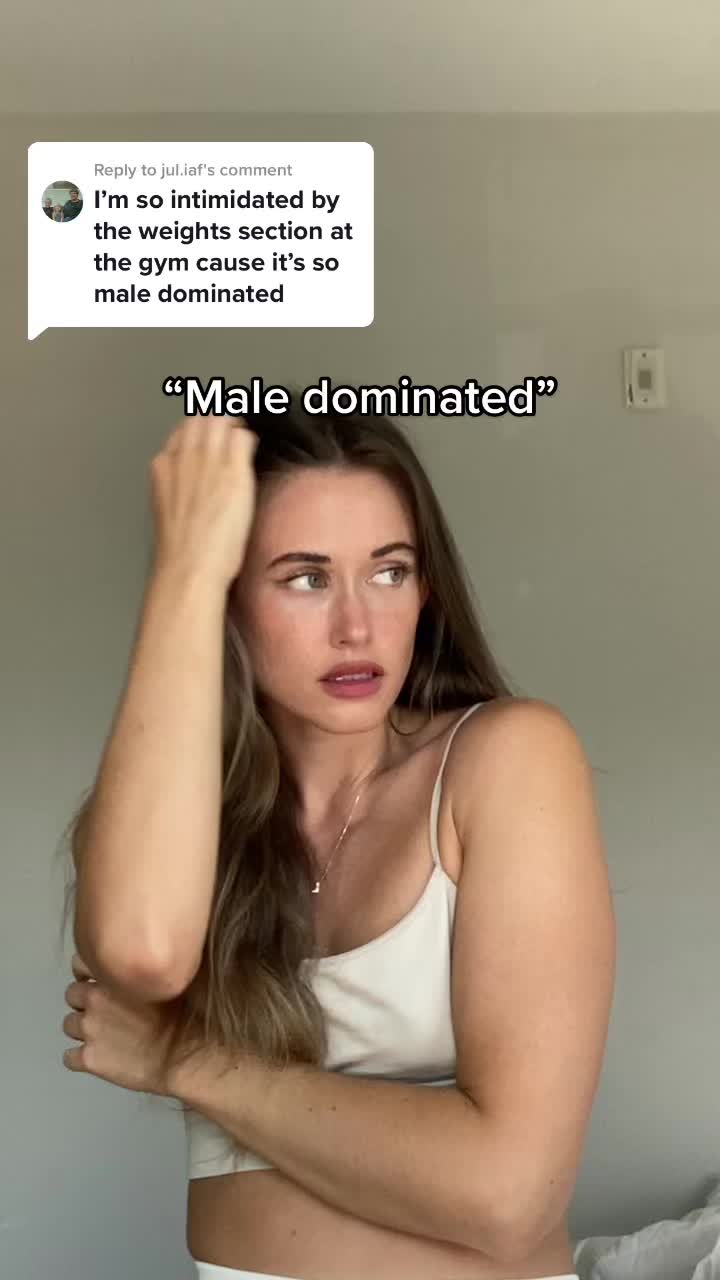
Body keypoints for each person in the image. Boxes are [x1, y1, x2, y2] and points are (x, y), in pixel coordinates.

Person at [60, 402, 615, 1280]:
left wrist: (184, 1060)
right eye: (305, 579)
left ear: (426, 589)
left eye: (390, 572)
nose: (357, 626)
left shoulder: (505, 760)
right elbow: (140, 954)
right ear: (229, 601)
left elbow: (510, 1196)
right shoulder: (193, 812)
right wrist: (183, 571)